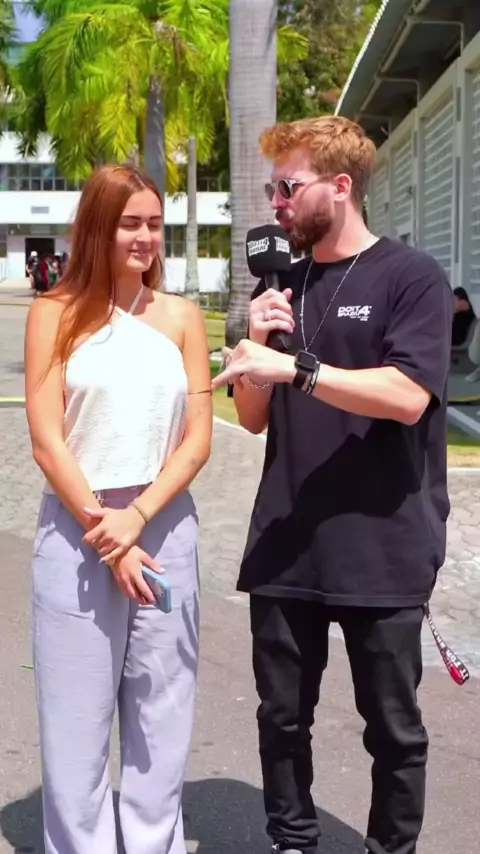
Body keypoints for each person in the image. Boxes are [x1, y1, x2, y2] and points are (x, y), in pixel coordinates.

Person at [212, 116, 453, 854]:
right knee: (281, 719)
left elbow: (407, 396)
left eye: (288, 187)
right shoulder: (280, 285)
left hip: (384, 546)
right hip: (287, 544)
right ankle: (293, 841)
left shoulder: (412, 277)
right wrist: (256, 343)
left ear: (340, 186)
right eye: (271, 191)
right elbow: (253, 418)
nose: (276, 204)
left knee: (393, 729)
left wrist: (298, 369)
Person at [25, 163, 212, 854]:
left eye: (154, 224)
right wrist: (109, 532)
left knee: (162, 713)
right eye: (129, 223)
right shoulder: (54, 313)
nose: (145, 237)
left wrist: (138, 520)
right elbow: (47, 440)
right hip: (77, 531)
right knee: (75, 721)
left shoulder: (182, 317)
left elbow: (197, 439)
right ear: (96, 229)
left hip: (164, 527)